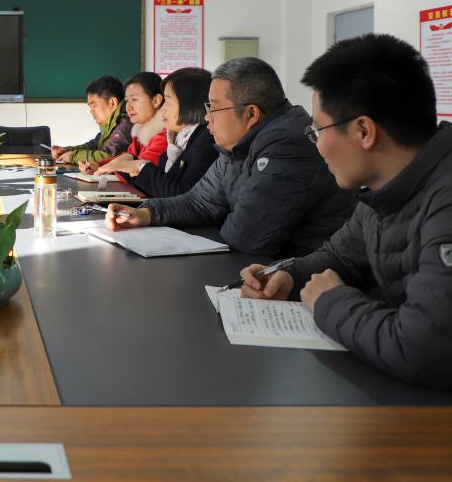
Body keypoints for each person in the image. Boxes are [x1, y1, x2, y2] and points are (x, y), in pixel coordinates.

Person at [238, 35, 452, 389]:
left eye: (317, 130)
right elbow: (341, 256)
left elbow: (425, 349)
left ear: (364, 131)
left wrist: (330, 302)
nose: (317, 145)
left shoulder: (444, 200)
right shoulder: (384, 190)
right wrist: (286, 275)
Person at [105, 57, 356, 257]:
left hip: (300, 280)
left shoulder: (288, 144)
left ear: (251, 114)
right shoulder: (236, 142)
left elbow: (246, 237)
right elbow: (199, 201)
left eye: (213, 107)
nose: (207, 117)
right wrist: (145, 214)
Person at [120, 67, 217, 198]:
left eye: (168, 101)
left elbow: (182, 196)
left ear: (189, 103)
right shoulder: (177, 138)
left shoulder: (206, 140)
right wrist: (130, 165)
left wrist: (139, 166)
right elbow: (159, 186)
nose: (163, 108)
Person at [80, 72, 166, 176]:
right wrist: (99, 166)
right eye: (127, 101)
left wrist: (109, 168)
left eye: (134, 99)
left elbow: (140, 171)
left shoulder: (164, 136)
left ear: (156, 101)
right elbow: (129, 156)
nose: (128, 107)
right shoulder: (141, 132)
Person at [50, 75, 132, 163]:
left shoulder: (126, 121)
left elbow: (108, 156)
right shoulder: (111, 121)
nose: (91, 111)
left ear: (112, 103)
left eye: (94, 106)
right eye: (90, 107)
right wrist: (66, 150)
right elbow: (95, 145)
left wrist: (73, 156)